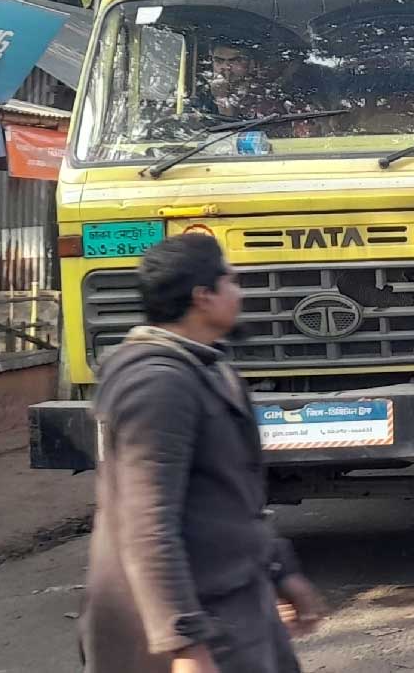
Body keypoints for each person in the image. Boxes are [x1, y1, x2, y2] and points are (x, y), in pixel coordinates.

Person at [81, 234, 326, 672]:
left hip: (235, 607)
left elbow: (235, 494)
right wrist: (184, 644)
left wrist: (280, 571)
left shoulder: (207, 367)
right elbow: (147, 523)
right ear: (203, 297)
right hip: (196, 626)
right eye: (231, 281)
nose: (241, 292)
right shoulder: (158, 383)